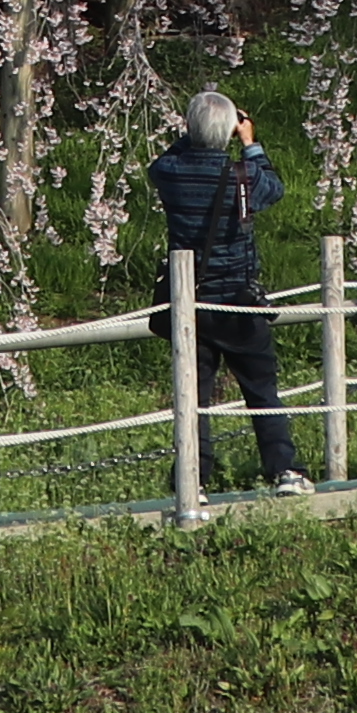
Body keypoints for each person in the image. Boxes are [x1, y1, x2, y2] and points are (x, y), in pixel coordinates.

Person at [146, 91, 309, 492]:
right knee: (261, 390)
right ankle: (283, 470)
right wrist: (249, 142)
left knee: (195, 397)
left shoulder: (170, 173)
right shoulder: (246, 177)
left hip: (192, 302)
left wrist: (195, 135)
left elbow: (162, 160)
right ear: (231, 129)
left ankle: (193, 479)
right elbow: (274, 187)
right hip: (239, 300)